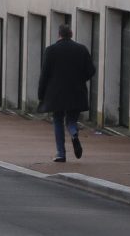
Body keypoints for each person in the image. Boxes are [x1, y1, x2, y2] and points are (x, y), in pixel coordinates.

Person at [37, 24, 96, 162]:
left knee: (57, 120)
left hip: (56, 94)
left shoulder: (51, 50)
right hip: (77, 92)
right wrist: (80, 79)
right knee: (71, 120)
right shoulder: (81, 49)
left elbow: (44, 75)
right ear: (71, 34)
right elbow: (91, 70)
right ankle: (74, 133)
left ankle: (61, 153)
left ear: (59, 35)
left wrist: (41, 94)